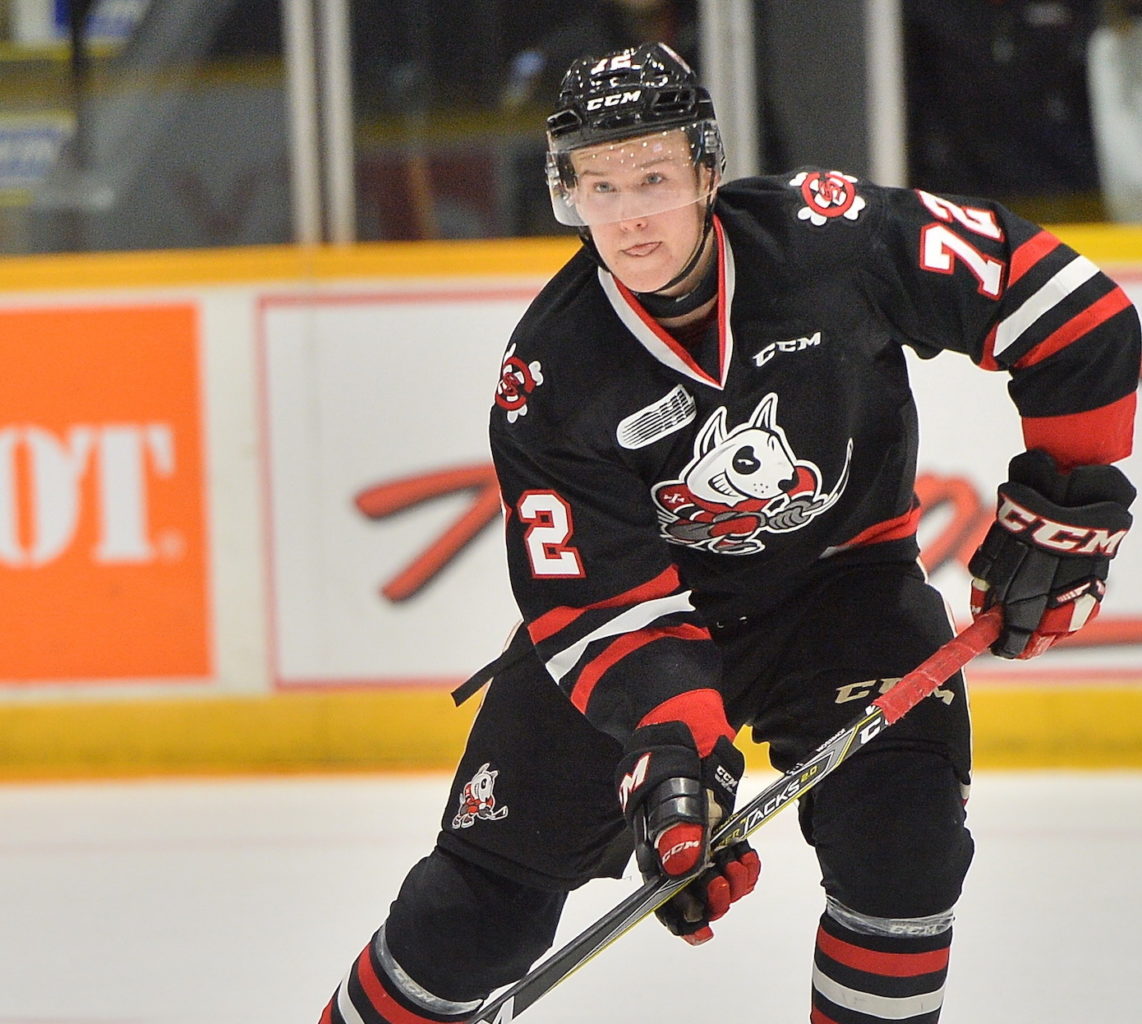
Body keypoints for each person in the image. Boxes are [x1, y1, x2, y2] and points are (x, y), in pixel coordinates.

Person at [320, 43, 1138, 1024]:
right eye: (599, 184)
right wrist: (673, 762)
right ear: (566, 194)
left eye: (654, 177)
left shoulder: (828, 236)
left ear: (707, 170)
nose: (628, 213)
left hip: (845, 588)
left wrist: (1069, 498)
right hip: (649, 630)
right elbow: (598, 605)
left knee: (904, 850)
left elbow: (1069, 311)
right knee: (472, 918)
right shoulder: (549, 374)